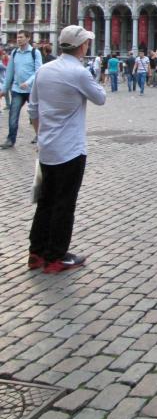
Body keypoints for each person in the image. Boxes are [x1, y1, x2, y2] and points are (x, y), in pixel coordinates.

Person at [27, 25, 106, 273]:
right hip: (70, 150)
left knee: (45, 200)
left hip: (47, 148)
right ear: (81, 46)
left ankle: (36, 253)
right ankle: (55, 257)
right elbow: (100, 97)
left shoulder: (44, 70)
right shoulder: (78, 72)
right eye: (86, 43)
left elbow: (33, 110)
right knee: (64, 203)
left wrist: (41, 137)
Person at [0, 30, 42, 149]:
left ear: (28, 38)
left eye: (21, 37)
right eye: (17, 37)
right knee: (13, 114)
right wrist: (4, 89)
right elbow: (9, 72)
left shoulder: (35, 52)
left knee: (35, 114)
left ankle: (40, 136)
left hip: (32, 90)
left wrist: (28, 82)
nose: (18, 39)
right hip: (17, 89)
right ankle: (10, 139)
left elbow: (38, 71)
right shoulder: (14, 53)